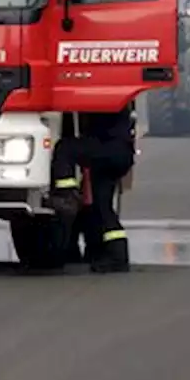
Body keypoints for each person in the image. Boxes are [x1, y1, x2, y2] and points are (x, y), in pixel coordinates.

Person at [51, 106, 135, 273]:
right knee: (101, 206)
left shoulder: (101, 99)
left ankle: (66, 193)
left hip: (108, 148)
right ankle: (117, 256)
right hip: (119, 153)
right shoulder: (119, 98)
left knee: (65, 148)